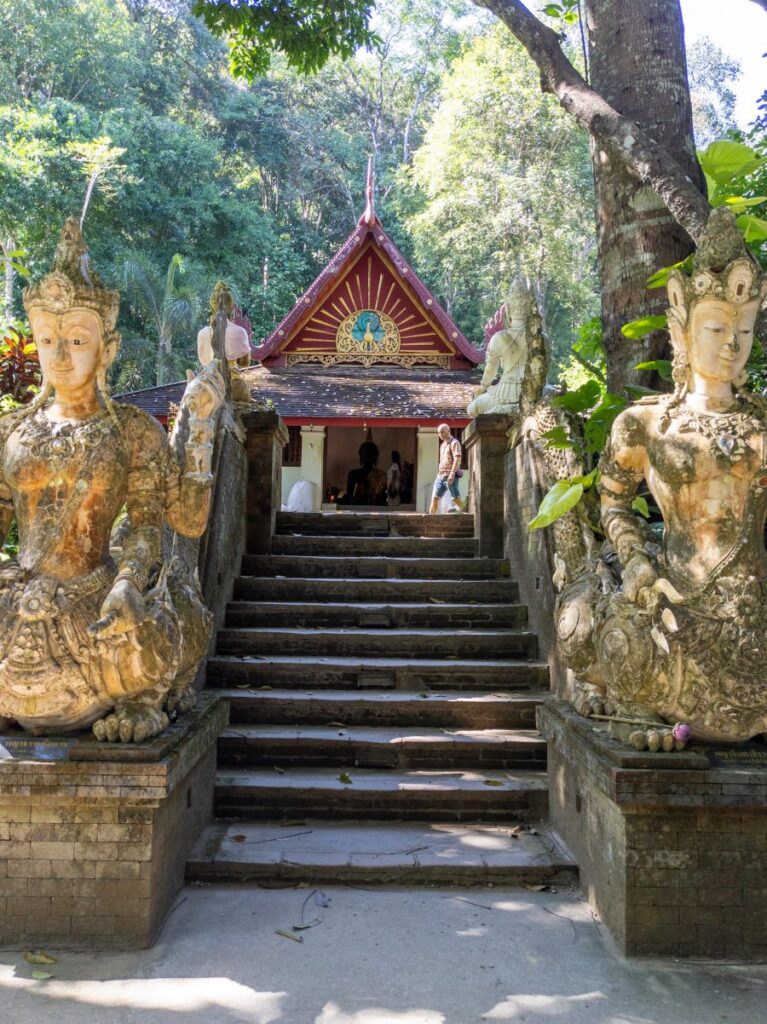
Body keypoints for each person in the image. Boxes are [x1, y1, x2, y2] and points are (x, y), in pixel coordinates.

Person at [430, 423, 463, 513]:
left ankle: (466, 510)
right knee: (435, 498)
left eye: (442, 432)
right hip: (440, 476)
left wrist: (452, 473)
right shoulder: (442, 445)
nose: (440, 434)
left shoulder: (454, 443)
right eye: (439, 433)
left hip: (450, 475)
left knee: (456, 499)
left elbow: (457, 458)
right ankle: (430, 520)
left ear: (448, 431)